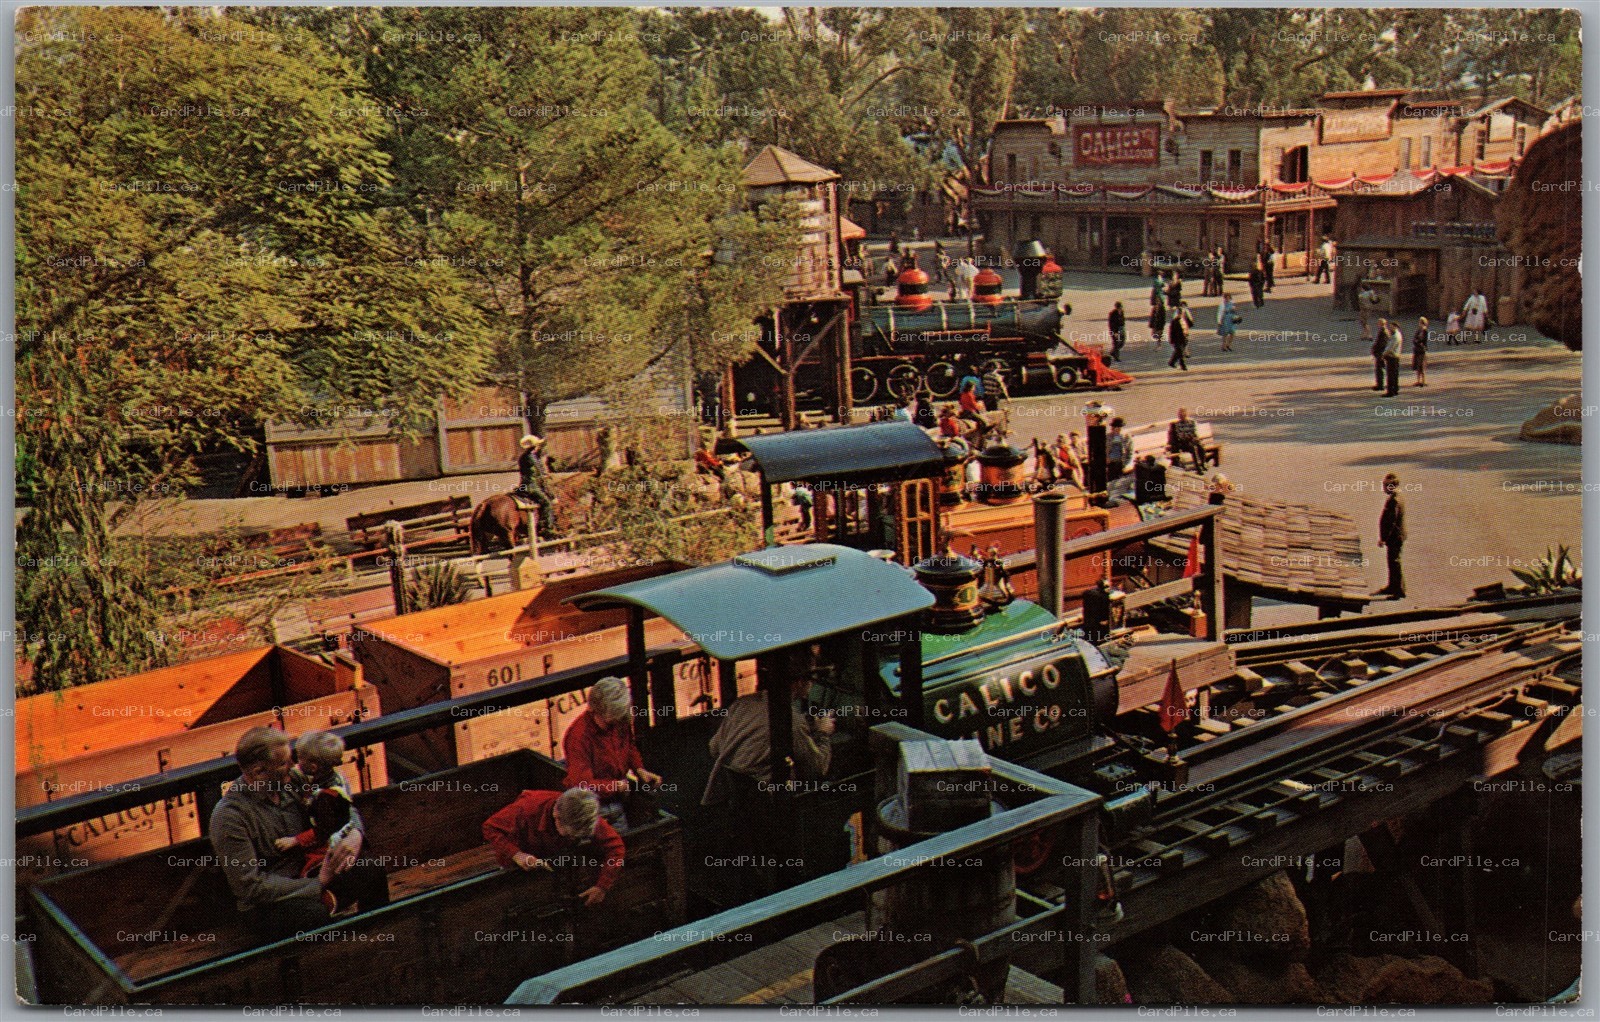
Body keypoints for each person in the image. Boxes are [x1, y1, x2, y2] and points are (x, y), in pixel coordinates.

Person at [211, 728, 389, 941]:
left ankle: (380, 937)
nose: (293, 765)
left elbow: (340, 802)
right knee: (311, 915)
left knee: (370, 868)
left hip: (313, 871)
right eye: (283, 763)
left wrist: (355, 833)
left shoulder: (293, 780)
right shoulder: (230, 816)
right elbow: (250, 886)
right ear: (259, 772)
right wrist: (318, 883)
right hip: (272, 901)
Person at [483, 787, 624, 909]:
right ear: (556, 814)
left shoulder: (583, 814)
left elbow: (616, 847)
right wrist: (516, 854)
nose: (572, 839)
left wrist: (602, 886)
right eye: (569, 835)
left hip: (554, 863)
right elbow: (490, 827)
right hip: (519, 866)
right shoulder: (526, 808)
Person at [702, 675, 833, 804]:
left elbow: (714, 748)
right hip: (766, 806)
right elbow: (818, 768)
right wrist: (823, 733)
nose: (811, 685)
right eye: (810, 679)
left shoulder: (742, 703)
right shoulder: (792, 721)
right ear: (799, 682)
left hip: (728, 801)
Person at [562, 676, 663, 829]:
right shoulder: (578, 737)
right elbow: (582, 785)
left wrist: (639, 769)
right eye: (609, 723)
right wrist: (615, 786)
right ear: (594, 710)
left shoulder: (619, 720)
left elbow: (628, 746)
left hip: (618, 802)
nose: (614, 726)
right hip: (593, 809)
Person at [273, 731, 359, 882]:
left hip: (330, 843)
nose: (295, 763)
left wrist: (295, 840)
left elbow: (324, 830)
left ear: (313, 767)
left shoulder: (326, 797)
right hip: (340, 832)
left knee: (311, 870)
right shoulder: (334, 777)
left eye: (300, 758)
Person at [514, 435, 556, 536]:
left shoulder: (522, 457)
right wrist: (551, 494)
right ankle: (547, 528)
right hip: (532, 486)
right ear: (535, 446)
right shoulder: (532, 458)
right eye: (538, 445)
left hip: (523, 485)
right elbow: (540, 476)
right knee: (547, 503)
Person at [1376, 473, 1407, 599]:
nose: (1383, 487)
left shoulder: (1394, 500)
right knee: (1392, 561)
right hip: (1396, 536)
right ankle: (1392, 586)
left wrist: (1384, 539)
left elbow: (1391, 522)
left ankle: (1398, 590)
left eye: (1385, 485)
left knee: (1394, 563)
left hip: (1395, 537)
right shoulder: (1397, 496)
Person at [1166, 407, 1208, 472]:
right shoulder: (1177, 425)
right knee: (1193, 448)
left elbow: (1194, 433)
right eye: (1180, 414)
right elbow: (1180, 437)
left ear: (1186, 414)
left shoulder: (1191, 422)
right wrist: (1190, 437)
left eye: (1184, 414)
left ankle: (1203, 464)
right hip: (1183, 444)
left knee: (1201, 447)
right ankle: (1198, 467)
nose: (1182, 416)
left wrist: (1196, 438)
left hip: (1192, 442)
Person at [1167, 300, 1193, 371]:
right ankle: (1183, 366)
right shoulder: (1174, 321)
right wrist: (1171, 340)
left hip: (1183, 338)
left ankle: (1171, 362)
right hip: (1177, 339)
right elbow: (1171, 332)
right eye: (1180, 313)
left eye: (1182, 313)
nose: (1181, 314)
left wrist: (1186, 335)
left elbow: (1186, 328)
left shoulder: (1184, 320)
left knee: (1178, 352)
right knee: (1181, 353)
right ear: (1178, 313)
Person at [1106, 417, 1132, 483]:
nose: (1117, 429)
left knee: (1121, 482)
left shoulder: (1126, 437)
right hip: (1110, 464)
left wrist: (1125, 463)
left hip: (1121, 463)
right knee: (1111, 482)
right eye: (1115, 427)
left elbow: (1130, 452)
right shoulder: (1107, 437)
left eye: (1119, 427)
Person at [1381, 319, 1403, 397]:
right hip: (1395, 356)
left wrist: (1383, 354)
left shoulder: (1395, 336)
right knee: (1395, 374)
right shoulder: (1397, 334)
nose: (1390, 328)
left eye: (1391, 327)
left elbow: (1390, 348)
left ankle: (1390, 392)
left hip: (1392, 357)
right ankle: (1395, 390)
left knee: (1391, 375)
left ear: (1395, 327)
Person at [1370, 318, 1389, 392]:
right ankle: (1379, 384)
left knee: (1380, 369)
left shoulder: (1383, 332)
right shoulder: (1383, 331)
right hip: (1380, 352)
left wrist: (1376, 350)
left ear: (1381, 324)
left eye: (1378, 323)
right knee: (1379, 369)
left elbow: (1381, 343)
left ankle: (1380, 385)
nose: (1377, 324)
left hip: (1381, 353)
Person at [1412, 317, 1430, 388]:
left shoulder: (1425, 330)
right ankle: (1418, 381)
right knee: (1417, 365)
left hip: (1422, 350)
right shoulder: (1418, 330)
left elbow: (1422, 340)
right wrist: (1416, 341)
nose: (1419, 323)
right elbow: (1414, 339)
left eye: (1420, 322)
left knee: (1422, 365)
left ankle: (1423, 381)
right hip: (1417, 349)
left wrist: (1417, 341)